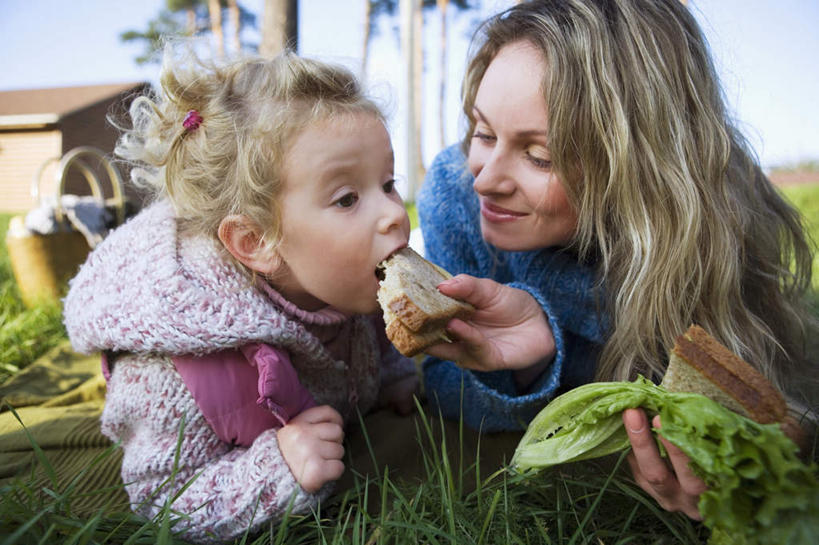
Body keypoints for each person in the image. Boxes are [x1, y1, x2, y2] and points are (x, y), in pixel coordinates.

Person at [418, 0, 816, 521]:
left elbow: (771, 393)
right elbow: (442, 382)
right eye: (483, 132)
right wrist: (534, 362)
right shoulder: (456, 195)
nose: (485, 178)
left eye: (540, 156)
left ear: (639, 166)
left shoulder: (707, 228)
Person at [63, 46, 418, 543]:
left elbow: (371, 331)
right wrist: (279, 470)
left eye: (388, 183)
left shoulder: (347, 278)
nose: (394, 214)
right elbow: (162, 498)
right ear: (257, 242)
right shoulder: (170, 370)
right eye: (347, 198)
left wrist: (397, 372)